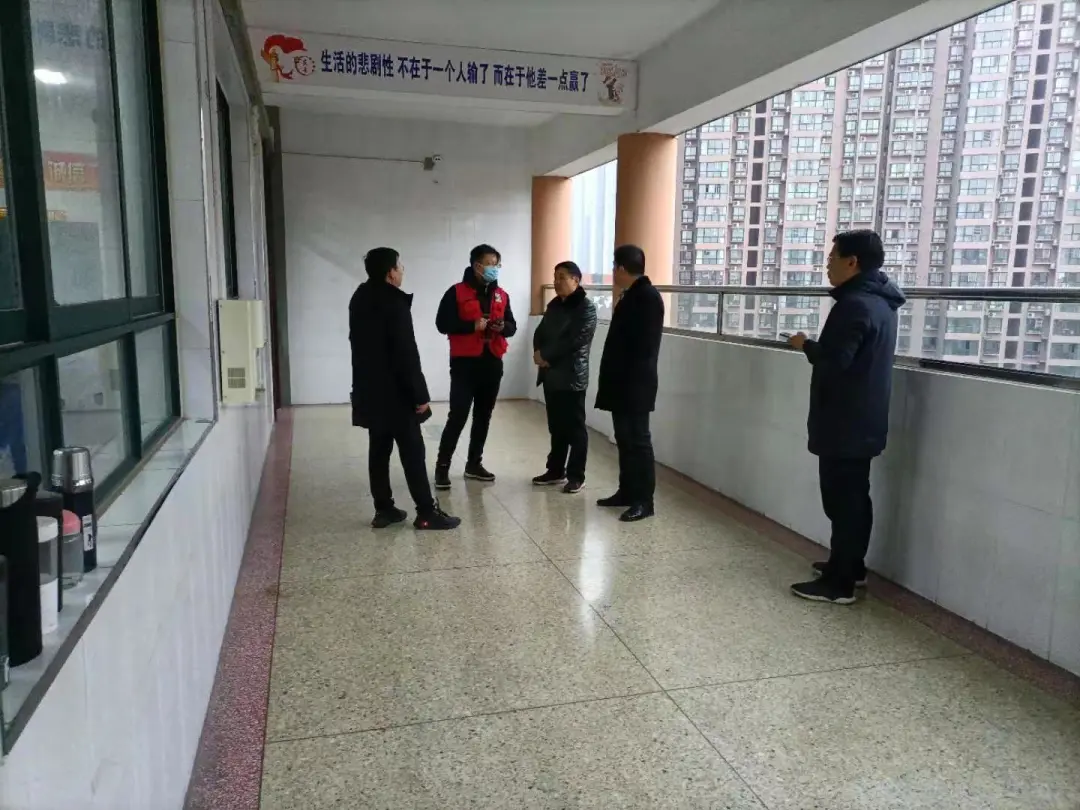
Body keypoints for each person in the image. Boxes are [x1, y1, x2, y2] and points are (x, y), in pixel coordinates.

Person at [787, 230, 905, 604]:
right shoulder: (881, 302)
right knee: (855, 498)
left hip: (845, 420)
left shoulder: (854, 305)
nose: (828, 264)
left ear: (852, 262)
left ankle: (838, 585)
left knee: (842, 501)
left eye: (832, 257)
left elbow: (837, 360)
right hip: (863, 418)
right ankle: (850, 567)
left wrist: (805, 344)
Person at [349, 248, 461, 531]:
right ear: (390, 272)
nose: (402, 271)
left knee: (379, 449)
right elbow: (406, 354)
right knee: (413, 451)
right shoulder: (393, 303)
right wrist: (420, 395)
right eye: (400, 266)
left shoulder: (360, 298)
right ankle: (426, 512)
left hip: (369, 389)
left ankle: (384, 509)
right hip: (396, 393)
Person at [434, 244, 518, 489]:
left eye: (497, 264)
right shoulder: (456, 292)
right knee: (458, 415)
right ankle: (442, 467)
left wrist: (502, 327)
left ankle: (474, 464)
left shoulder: (502, 294)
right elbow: (442, 323)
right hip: (465, 364)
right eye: (490, 264)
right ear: (477, 265)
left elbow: (512, 326)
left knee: (483, 416)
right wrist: (472, 326)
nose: (495, 269)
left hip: (492, 362)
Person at [594, 244, 664, 522]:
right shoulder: (632, 295)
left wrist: (624, 378)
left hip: (635, 384)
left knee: (638, 441)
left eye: (614, 267)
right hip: (622, 382)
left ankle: (644, 501)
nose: (613, 272)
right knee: (624, 440)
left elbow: (643, 347)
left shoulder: (647, 297)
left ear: (622, 268)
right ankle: (626, 491)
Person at [531, 261, 598, 494]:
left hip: (572, 376)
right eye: (555, 277)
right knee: (556, 426)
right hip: (551, 375)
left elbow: (575, 340)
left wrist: (546, 356)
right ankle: (555, 470)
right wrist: (538, 352)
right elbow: (540, 332)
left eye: (562, 277)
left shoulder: (586, 308)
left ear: (576, 280)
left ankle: (576, 475)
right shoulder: (554, 305)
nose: (556, 281)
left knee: (575, 428)